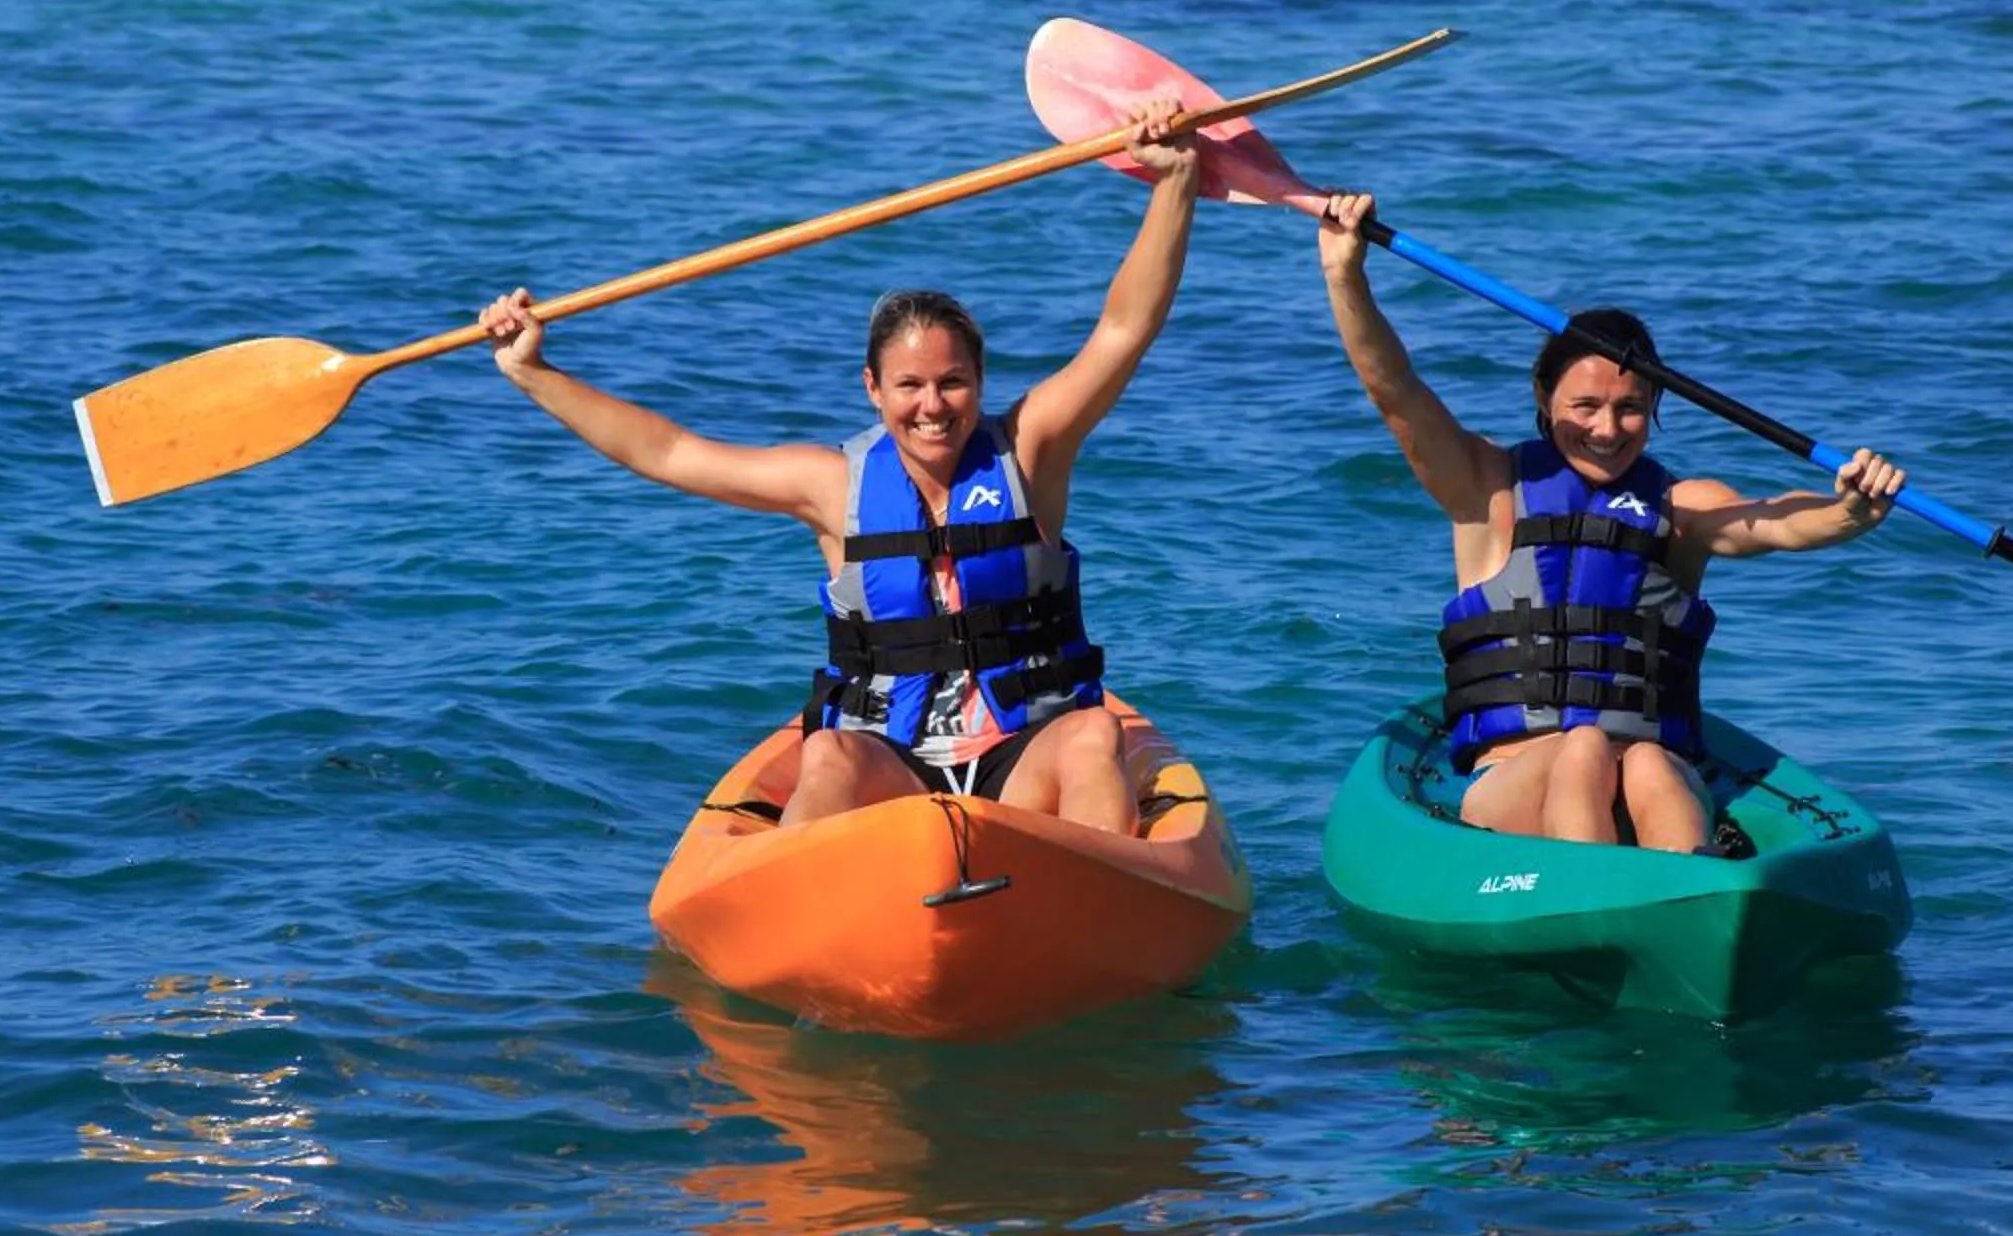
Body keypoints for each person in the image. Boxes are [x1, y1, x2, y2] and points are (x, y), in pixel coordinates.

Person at [478, 101, 1207, 834]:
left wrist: (1173, 185)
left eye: (951, 383)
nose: (932, 407)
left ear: (979, 382)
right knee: (825, 753)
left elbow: (1122, 331)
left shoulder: (1028, 450)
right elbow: (668, 453)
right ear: (873, 389)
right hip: (893, 764)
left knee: (1093, 736)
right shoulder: (836, 487)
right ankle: (799, 910)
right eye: (909, 387)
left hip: (1027, 757)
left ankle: (1097, 894)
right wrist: (536, 375)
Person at [1312, 191, 1905, 853]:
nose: (1606, 428)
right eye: (1586, 404)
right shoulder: (1488, 486)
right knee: (1585, 745)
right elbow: (1395, 390)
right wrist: (1346, 274)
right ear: (1544, 396)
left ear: (1654, 405)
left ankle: (1686, 892)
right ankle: (1599, 889)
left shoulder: (1680, 507)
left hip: (1650, 775)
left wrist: (1851, 508)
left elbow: (1775, 524)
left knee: (1646, 759)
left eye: (1630, 408)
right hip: (1513, 777)